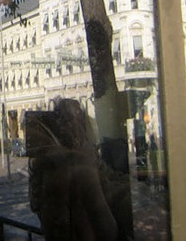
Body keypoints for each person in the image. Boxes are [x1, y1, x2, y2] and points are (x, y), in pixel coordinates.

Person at [28, 98, 120, 241]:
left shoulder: (48, 164)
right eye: (65, 122)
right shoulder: (79, 169)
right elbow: (107, 228)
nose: (70, 127)